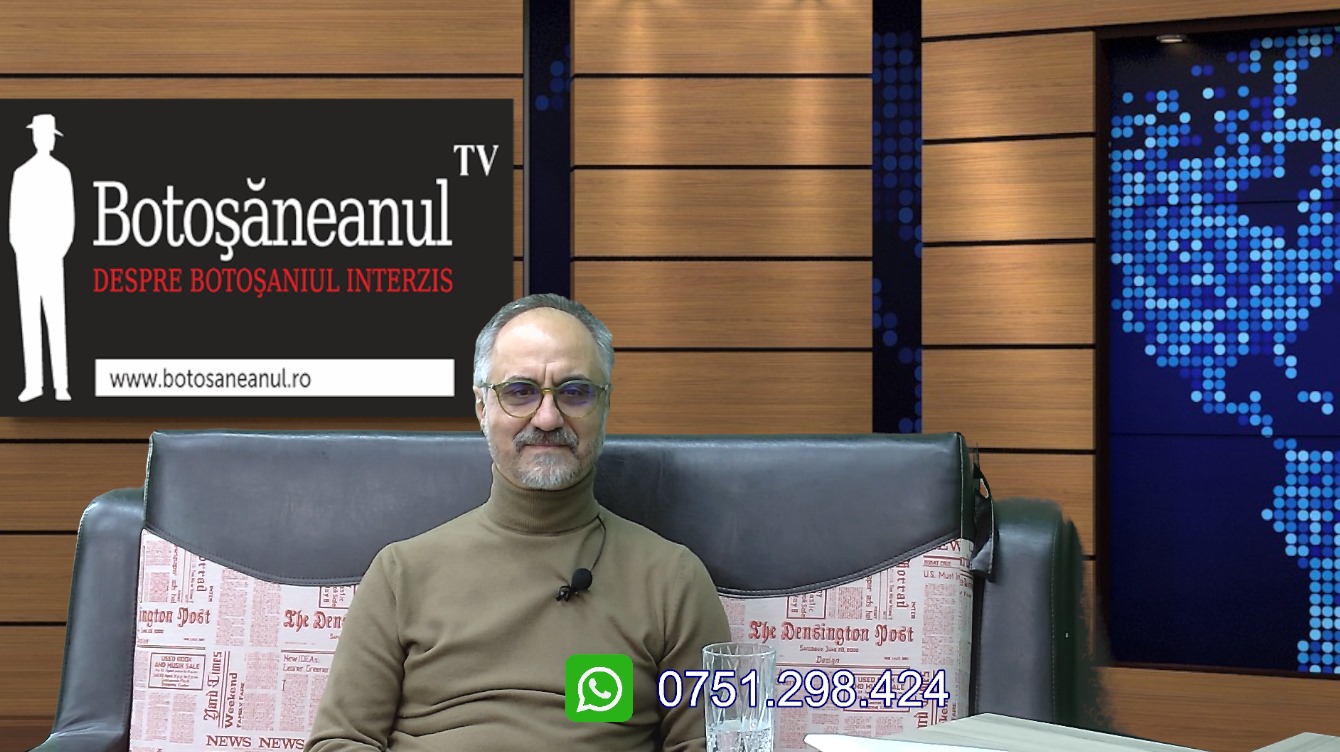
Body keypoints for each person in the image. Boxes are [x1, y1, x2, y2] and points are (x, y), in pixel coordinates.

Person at [305, 294, 731, 751]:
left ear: (605, 406)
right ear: (481, 407)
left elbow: (712, 744)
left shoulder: (671, 580)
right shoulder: (401, 573)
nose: (547, 418)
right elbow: (339, 742)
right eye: (520, 391)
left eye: (574, 392)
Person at [9, 113, 74, 403]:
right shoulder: (21, 173)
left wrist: (58, 249)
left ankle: (61, 386)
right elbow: (14, 219)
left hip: (51, 255)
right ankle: (34, 384)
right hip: (26, 256)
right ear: (35, 137)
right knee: (30, 320)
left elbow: (68, 217)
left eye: (48, 135)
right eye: (40, 134)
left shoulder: (62, 173)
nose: (45, 139)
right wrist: (21, 249)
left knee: (55, 319)